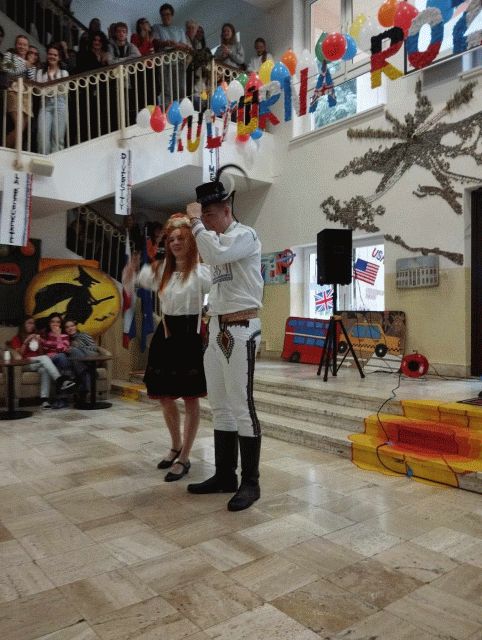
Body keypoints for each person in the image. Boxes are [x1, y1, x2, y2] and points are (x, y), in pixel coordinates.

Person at [185, 167, 264, 511]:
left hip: (241, 327)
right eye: (203, 217)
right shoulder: (216, 243)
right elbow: (209, 272)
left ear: (227, 210)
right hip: (216, 327)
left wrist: (195, 224)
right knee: (220, 405)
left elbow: (215, 254)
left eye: (210, 216)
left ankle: (251, 482)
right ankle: (224, 475)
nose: (206, 222)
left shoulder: (245, 236)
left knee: (242, 405)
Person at [123, 214, 211, 482]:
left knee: (191, 398)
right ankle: (175, 445)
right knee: (164, 396)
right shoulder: (161, 271)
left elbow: (221, 290)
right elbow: (132, 281)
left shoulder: (202, 272)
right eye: (171, 239)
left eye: (180, 238)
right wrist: (130, 273)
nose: (175, 243)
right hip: (166, 336)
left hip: (190, 337)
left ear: (191, 242)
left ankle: (185, 456)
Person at [11, 316, 76, 408]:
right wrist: (26, 341)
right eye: (29, 323)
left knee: (44, 369)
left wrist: (39, 343)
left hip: (37, 362)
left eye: (33, 323)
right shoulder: (16, 338)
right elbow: (20, 355)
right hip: (25, 363)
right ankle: (61, 380)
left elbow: (41, 354)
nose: (32, 325)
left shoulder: (37, 336)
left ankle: (44, 400)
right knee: (45, 358)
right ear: (23, 325)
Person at [4, 34, 36, 149]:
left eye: (25, 45)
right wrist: (26, 66)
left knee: (23, 127)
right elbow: (9, 71)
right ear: (15, 45)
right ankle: (4, 150)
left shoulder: (30, 64)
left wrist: (29, 65)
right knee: (19, 125)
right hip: (13, 91)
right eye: (20, 44)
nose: (22, 47)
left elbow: (32, 81)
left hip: (26, 95)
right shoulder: (9, 56)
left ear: (28, 47)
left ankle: (11, 151)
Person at [36, 44, 69, 154]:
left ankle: (57, 161)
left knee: (58, 137)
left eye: (55, 55)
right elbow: (39, 91)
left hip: (60, 104)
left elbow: (64, 90)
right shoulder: (41, 72)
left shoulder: (64, 73)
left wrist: (52, 79)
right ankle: (43, 159)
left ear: (59, 58)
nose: (52, 57)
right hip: (45, 105)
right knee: (42, 136)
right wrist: (51, 81)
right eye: (50, 54)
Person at [64, 318, 98, 402]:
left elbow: (94, 348)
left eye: (72, 326)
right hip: (77, 364)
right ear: (65, 329)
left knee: (74, 350)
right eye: (67, 327)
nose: (70, 328)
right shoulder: (65, 339)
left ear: (75, 326)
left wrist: (79, 347)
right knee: (72, 353)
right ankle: (85, 389)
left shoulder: (83, 335)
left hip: (88, 359)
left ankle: (84, 390)